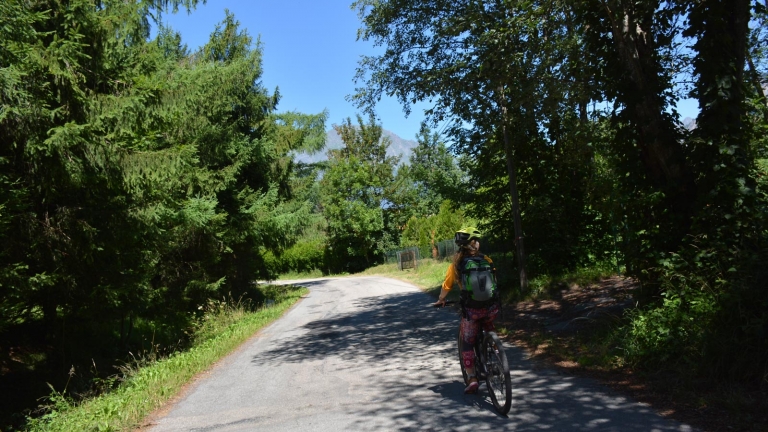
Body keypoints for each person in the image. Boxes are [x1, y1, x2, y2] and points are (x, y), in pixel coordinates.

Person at [434, 226, 500, 394]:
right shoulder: (487, 260)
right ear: (474, 243)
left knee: (467, 342)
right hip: (491, 308)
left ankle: (471, 378)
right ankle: (498, 356)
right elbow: (494, 281)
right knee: (489, 328)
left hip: (472, 311)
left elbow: (447, 286)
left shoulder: (456, 265)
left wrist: (441, 299)